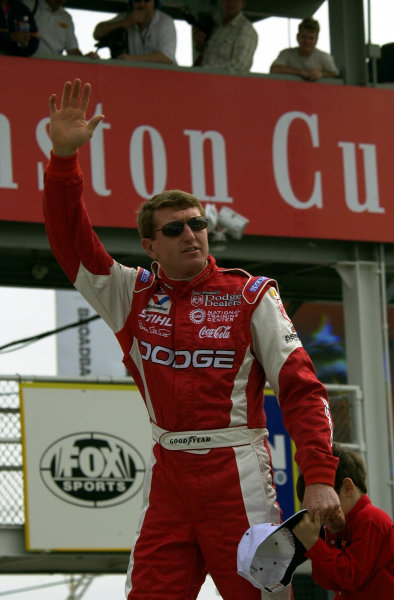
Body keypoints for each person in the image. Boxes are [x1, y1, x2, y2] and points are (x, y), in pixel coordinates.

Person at [43, 78, 340, 600]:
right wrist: (64, 162)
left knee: (264, 596)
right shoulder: (129, 293)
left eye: (198, 224)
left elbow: (302, 388)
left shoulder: (251, 295)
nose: (191, 235)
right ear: (149, 245)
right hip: (168, 478)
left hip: (240, 478)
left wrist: (317, 473)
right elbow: (72, 244)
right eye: (176, 229)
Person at [294, 442, 394, 599]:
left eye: (323, 501)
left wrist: (314, 544)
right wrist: (333, 534)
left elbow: (350, 577)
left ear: (347, 488)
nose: (322, 512)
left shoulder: (372, 520)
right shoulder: (342, 525)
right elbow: (327, 581)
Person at [93, 0, 176, 64]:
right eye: (137, 0)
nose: (142, 3)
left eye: (146, 0)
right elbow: (97, 33)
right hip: (136, 76)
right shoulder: (127, 17)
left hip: (163, 77)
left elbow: (167, 58)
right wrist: (128, 22)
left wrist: (130, 59)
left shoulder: (165, 21)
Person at [196, 0, 257, 72]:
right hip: (205, 80)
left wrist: (207, 70)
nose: (230, 3)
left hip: (227, 82)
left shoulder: (246, 29)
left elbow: (239, 66)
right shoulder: (217, 29)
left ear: (243, 3)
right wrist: (199, 45)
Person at [270, 17, 339, 81]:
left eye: (311, 38)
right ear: (297, 37)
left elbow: (335, 75)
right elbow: (274, 69)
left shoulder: (324, 57)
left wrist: (322, 74)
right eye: (304, 37)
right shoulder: (286, 54)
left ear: (316, 40)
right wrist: (301, 72)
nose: (307, 41)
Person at [23, 0, 95, 56]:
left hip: (54, 64)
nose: (60, 1)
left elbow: (72, 49)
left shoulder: (66, 17)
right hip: (28, 60)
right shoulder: (29, 5)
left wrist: (85, 59)